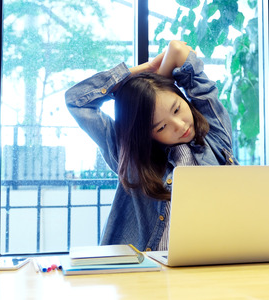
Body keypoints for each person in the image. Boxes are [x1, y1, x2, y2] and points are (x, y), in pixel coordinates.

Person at [65, 40, 238, 252]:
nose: (179, 125)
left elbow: (177, 49)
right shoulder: (133, 158)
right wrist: (138, 72)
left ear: (182, 97)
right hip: (145, 271)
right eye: (161, 127)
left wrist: (155, 78)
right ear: (146, 135)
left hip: (213, 262)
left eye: (177, 109)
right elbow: (76, 101)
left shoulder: (215, 137)